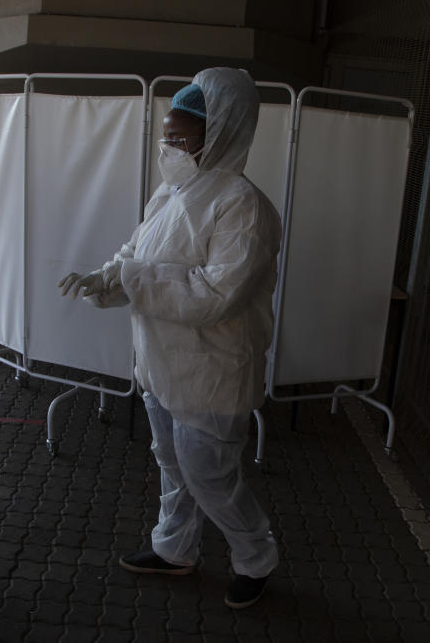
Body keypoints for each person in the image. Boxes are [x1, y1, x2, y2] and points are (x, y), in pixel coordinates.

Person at [58, 68, 281, 609]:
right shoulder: (172, 192)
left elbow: (214, 294)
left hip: (213, 371)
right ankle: (176, 549)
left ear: (221, 133)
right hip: (160, 362)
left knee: (211, 475)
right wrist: (105, 277)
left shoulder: (242, 206)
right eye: (167, 135)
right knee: (172, 463)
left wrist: (128, 279)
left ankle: (256, 558)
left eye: (180, 138)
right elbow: (137, 252)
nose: (169, 147)